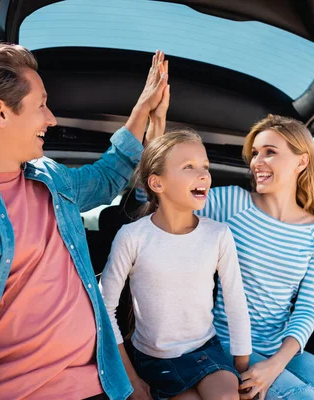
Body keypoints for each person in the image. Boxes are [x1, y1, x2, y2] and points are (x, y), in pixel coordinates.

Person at [0, 44, 169, 400]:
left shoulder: (52, 178)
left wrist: (141, 112)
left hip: (104, 388)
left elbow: (107, 176)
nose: (51, 118)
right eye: (41, 104)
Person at [147, 104, 314, 399]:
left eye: (270, 152)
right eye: (256, 153)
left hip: (281, 348)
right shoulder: (231, 204)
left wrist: (275, 365)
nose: (257, 162)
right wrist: (157, 131)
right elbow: (165, 196)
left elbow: (308, 309)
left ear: (301, 161)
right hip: (226, 343)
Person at [99, 129, 252, 400]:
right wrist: (130, 378)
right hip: (152, 358)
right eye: (189, 167)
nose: (204, 174)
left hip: (206, 350)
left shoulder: (218, 234)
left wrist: (241, 368)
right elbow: (104, 309)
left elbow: (236, 303)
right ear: (157, 184)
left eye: (205, 166)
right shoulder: (133, 237)